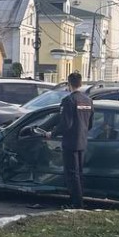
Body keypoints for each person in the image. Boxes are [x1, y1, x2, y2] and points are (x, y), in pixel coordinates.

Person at [49, 72, 93, 209]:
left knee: (72, 174)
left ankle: (76, 204)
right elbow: (90, 124)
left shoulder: (69, 101)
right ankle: (78, 202)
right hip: (82, 141)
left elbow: (65, 124)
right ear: (80, 84)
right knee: (79, 173)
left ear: (69, 84)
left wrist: (53, 133)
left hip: (70, 142)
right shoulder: (88, 101)